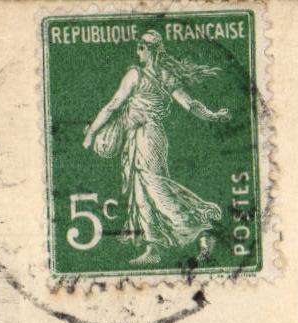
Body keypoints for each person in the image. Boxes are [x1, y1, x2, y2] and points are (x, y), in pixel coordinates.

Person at [82, 30, 230, 266]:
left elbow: (112, 106)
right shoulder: (164, 75)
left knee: (156, 188)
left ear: (150, 49)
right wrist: (212, 115)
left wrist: (91, 133)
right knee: (142, 193)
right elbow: (190, 104)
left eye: (141, 47)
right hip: (143, 136)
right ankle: (154, 248)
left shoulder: (136, 74)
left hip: (148, 137)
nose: (137, 51)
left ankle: (202, 228)